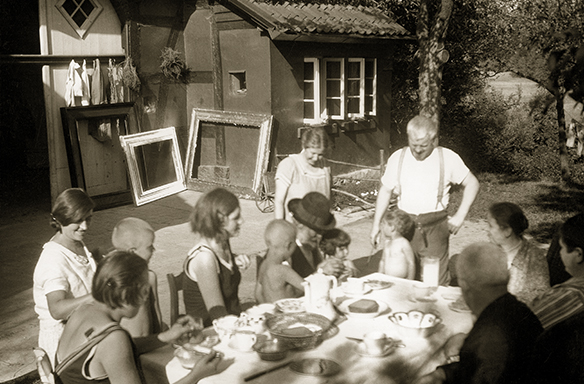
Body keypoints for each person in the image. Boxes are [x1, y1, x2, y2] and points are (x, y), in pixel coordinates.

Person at [55, 251, 224, 384]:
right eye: (144, 292)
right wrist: (196, 376)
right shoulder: (113, 338)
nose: (145, 299)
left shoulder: (84, 310)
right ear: (125, 293)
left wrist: (165, 337)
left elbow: (115, 351)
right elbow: (115, 347)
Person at [370, 115, 480, 285]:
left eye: (423, 145)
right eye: (414, 145)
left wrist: (460, 215)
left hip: (435, 228)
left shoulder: (448, 158)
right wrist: (376, 225)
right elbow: (385, 191)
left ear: (434, 139)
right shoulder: (398, 157)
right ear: (408, 137)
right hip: (404, 227)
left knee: (434, 283)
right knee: (402, 279)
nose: (418, 150)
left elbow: (472, 183)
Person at [414, 242, 543, 384]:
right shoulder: (517, 310)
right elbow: (477, 369)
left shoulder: (490, 336)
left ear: (464, 285)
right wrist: (443, 373)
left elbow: (485, 369)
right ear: (507, 277)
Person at [33, 188, 97, 365]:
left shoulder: (75, 243)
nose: (85, 226)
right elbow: (57, 309)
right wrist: (97, 296)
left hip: (81, 329)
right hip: (63, 343)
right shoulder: (53, 259)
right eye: (78, 221)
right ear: (62, 219)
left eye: (88, 218)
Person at [183, 188, 250, 327]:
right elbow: (217, 313)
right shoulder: (204, 258)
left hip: (232, 322)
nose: (242, 221)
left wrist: (234, 260)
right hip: (209, 332)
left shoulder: (223, 242)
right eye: (236, 217)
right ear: (219, 221)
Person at [486, 202, 549, 304]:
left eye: (491, 226)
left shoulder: (533, 256)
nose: (487, 230)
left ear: (507, 231)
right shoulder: (488, 251)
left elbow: (541, 295)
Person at [530, 213, 584, 329]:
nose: (559, 253)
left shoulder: (571, 296)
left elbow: (517, 329)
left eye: (562, 247)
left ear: (578, 254)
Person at [111, 217, 164, 337]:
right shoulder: (116, 283)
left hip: (150, 345)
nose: (154, 250)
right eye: (150, 247)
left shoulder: (149, 277)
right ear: (132, 252)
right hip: (128, 347)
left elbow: (156, 315)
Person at [274, 126, 332, 220]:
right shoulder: (289, 165)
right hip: (295, 228)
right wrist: (281, 228)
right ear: (304, 146)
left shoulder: (325, 166)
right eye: (312, 153)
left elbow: (329, 199)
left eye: (320, 154)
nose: (316, 158)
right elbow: (279, 202)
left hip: (319, 227)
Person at [287, 192, 344, 279]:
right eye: (316, 230)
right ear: (299, 223)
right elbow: (287, 290)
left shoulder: (312, 246)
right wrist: (320, 272)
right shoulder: (285, 251)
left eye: (322, 231)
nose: (320, 236)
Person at [255, 220, 305, 303]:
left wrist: (268, 309)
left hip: (271, 312)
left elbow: (258, 294)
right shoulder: (282, 270)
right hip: (286, 313)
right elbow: (307, 287)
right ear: (288, 245)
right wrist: (320, 270)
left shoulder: (264, 265)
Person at [378, 208, 415, 279]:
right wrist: (379, 276)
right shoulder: (387, 243)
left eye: (384, 225)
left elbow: (411, 263)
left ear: (392, 227)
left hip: (401, 280)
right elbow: (382, 261)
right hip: (387, 279)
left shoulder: (403, 243)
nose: (382, 227)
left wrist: (410, 281)